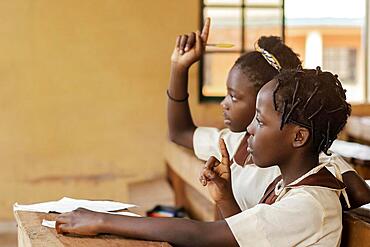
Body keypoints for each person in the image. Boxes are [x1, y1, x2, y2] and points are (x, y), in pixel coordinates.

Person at [56, 68, 350, 246]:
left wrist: (103, 221)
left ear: (298, 137)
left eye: (260, 122)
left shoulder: (310, 205)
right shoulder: (288, 186)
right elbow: (248, 240)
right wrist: (225, 198)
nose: (249, 128)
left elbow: (203, 236)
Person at [168, 18, 370, 213]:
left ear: (264, 97)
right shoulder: (230, 143)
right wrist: (179, 67)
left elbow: (360, 193)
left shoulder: (294, 158)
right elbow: (179, 132)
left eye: (234, 96)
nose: (224, 103)